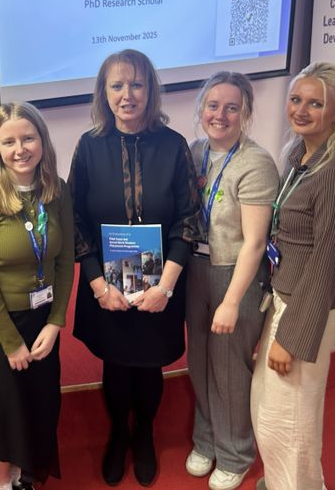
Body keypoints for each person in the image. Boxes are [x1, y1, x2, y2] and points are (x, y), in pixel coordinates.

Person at [69, 49, 200, 486]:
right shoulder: (88, 147)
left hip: (161, 285)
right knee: (115, 363)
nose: (128, 95)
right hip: (105, 286)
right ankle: (117, 435)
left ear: (151, 90)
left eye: (137, 84)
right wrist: (97, 286)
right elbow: (76, 221)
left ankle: (143, 432)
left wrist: (164, 287)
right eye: (117, 86)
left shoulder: (174, 144)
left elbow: (188, 220)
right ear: (103, 93)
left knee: (149, 364)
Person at [250, 62, 335, 490]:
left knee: (290, 424)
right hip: (286, 299)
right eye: (296, 99)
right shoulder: (300, 155)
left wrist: (291, 339)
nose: (301, 109)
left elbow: (324, 262)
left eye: (315, 103)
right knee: (266, 408)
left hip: (307, 309)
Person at [0, 102, 74, 490]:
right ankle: (1, 480)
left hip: (42, 320)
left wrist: (57, 321)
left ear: (42, 139)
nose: (19, 149)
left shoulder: (56, 190)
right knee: (4, 410)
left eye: (28, 137)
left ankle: (27, 472)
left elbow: (65, 259)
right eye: (8, 141)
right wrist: (10, 343)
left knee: (39, 401)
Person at [185, 72, 279, 490]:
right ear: (201, 109)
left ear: (246, 114)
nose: (220, 115)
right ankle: (207, 440)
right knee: (199, 362)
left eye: (232, 107)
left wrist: (231, 301)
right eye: (212, 105)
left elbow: (255, 242)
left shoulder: (255, 163)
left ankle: (236, 452)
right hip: (195, 270)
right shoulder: (194, 152)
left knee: (229, 368)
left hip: (234, 275)